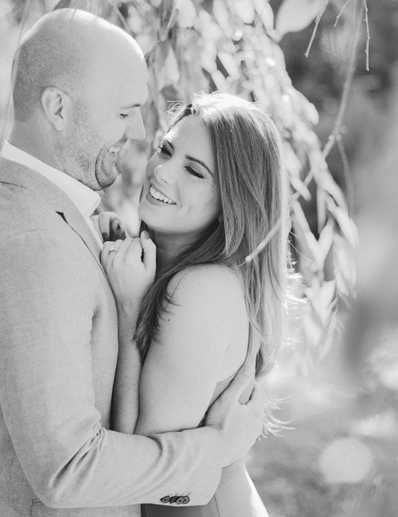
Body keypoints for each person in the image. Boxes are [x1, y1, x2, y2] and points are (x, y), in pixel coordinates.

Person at [0, 10, 267, 517]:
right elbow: (69, 470)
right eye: (123, 112)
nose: (139, 133)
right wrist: (217, 450)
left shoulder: (15, 209)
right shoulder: (35, 244)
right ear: (58, 108)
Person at [101, 93, 289, 516]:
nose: (162, 172)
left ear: (231, 203)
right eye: (166, 150)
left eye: (194, 171)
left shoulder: (200, 289)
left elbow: (146, 464)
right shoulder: (171, 269)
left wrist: (129, 309)